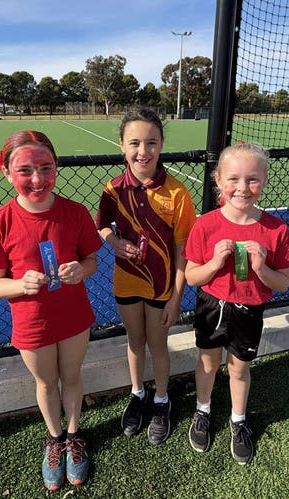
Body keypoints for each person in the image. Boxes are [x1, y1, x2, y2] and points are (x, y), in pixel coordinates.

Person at [0, 130, 102, 491]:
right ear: (5, 171)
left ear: (56, 167)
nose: (37, 179)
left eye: (45, 168)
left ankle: (75, 436)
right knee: (46, 382)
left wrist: (81, 269)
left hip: (74, 315)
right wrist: (20, 285)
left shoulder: (75, 213)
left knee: (72, 376)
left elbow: (90, 260)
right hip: (32, 322)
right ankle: (55, 440)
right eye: (25, 170)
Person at [183, 142, 289, 465]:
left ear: (264, 181)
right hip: (212, 305)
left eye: (252, 180)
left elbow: (284, 282)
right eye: (233, 179)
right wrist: (215, 264)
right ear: (218, 180)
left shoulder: (276, 229)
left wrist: (261, 267)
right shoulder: (205, 224)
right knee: (207, 362)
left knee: (239, 367)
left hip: (249, 309)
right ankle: (202, 410)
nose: (242, 188)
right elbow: (192, 277)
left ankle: (238, 420)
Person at [96, 107, 197, 445]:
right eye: (135, 143)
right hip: (126, 282)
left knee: (157, 344)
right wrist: (114, 242)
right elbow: (100, 227)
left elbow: (185, 250)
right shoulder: (112, 190)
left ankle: (163, 400)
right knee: (134, 342)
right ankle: (138, 393)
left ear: (162, 145)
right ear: (122, 146)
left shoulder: (177, 193)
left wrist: (176, 296)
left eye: (151, 142)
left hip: (161, 287)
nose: (143, 151)